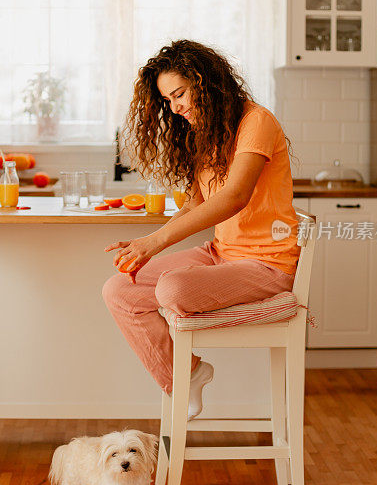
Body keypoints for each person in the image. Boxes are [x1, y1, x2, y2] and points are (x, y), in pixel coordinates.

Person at [102, 40, 300, 419]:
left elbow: (234, 197)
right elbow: (195, 204)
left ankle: (185, 377)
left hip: (268, 265)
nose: (175, 107)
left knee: (172, 288)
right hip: (222, 254)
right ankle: (187, 374)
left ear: (204, 82)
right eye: (168, 101)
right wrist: (146, 243)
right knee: (119, 290)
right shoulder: (209, 131)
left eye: (179, 94)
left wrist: (154, 243)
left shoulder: (256, 121)